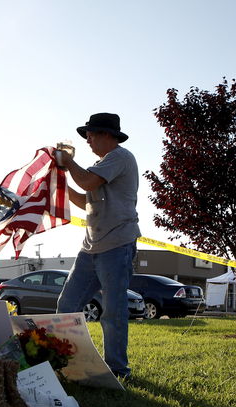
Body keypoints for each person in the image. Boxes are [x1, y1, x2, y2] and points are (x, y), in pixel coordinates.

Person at [54, 113, 140, 380]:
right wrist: (60, 184)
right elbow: (86, 200)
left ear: (107, 135)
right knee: (67, 304)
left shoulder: (120, 157)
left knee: (113, 310)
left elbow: (88, 182)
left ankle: (117, 369)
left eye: (91, 134)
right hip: (91, 247)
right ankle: (66, 362)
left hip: (117, 244)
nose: (87, 140)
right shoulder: (100, 164)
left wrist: (68, 163)